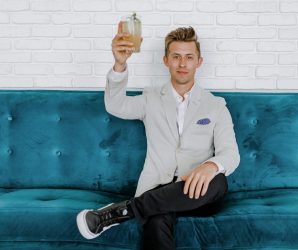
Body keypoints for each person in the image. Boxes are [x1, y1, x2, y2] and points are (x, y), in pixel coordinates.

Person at [76, 24, 240, 250]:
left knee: (219, 180)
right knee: (156, 217)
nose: (182, 64)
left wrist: (210, 166)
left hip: (199, 194)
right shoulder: (150, 98)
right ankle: (137, 207)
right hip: (157, 190)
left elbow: (231, 154)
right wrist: (120, 64)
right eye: (176, 57)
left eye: (189, 57)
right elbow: (115, 105)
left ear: (198, 62)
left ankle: (120, 212)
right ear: (166, 60)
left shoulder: (216, 105)